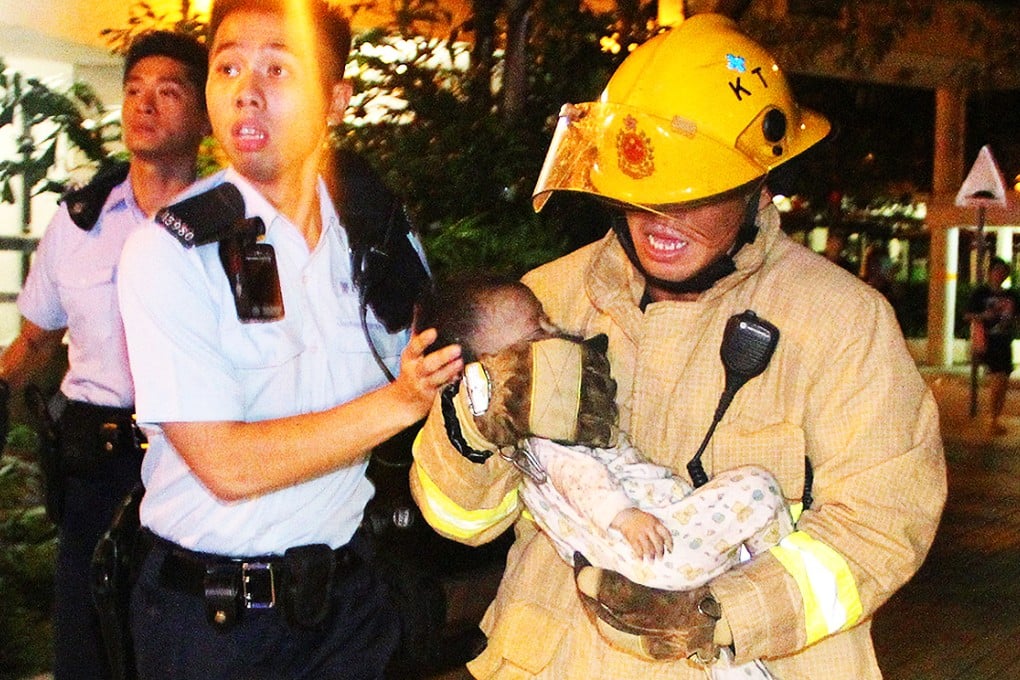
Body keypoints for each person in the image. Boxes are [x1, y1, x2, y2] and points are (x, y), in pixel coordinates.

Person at [410, 13, 946, 680]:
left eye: (692, 195)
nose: (660, 222)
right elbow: (463, 521)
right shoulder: (539, 304)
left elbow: (881, 523)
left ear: (756, 185)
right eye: (640, 195)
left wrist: (722, 615)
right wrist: (471, 423)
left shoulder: (842, 323)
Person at [115, 1, 463, 678]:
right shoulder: (170, 253)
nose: (247, 89)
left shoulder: (377, 238)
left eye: (277, 67)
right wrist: (401, 401)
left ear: (337, 101)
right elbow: (228, 467)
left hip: (349, 609)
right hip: (214, 627)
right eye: (227, 67)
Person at [0, 31, 209, 680]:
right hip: (95, 468)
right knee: (85, 651)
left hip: (198, 468)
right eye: (135, 91)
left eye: (168, 92)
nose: (145, 105)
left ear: (205, 113)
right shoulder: (79, 221)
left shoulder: (237, 226)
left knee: (180, 652)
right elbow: (35, 343)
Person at [419, 275, 793, 590]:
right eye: (537, 331)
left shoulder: (531, 431)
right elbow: (578, 475)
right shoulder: (548, 423)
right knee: (758, 488)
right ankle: (772, 573)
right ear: (490, 368)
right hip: (660, 541)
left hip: (641, 558)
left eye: (547, 320)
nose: (554, 331)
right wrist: (625, 515)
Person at [965, 257, 1019, 435]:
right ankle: (992, 419)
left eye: (1003, 272)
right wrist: (983, 316)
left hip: (1005, 340)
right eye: (997, 271)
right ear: (990, 273)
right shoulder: (981, 293)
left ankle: (995, 417)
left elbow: (1016, 317)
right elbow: (967, 315)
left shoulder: (1011, 295)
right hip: (988, 341)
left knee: (1004, 380)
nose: (1000, 275)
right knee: (998, 377)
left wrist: (1012, 321)